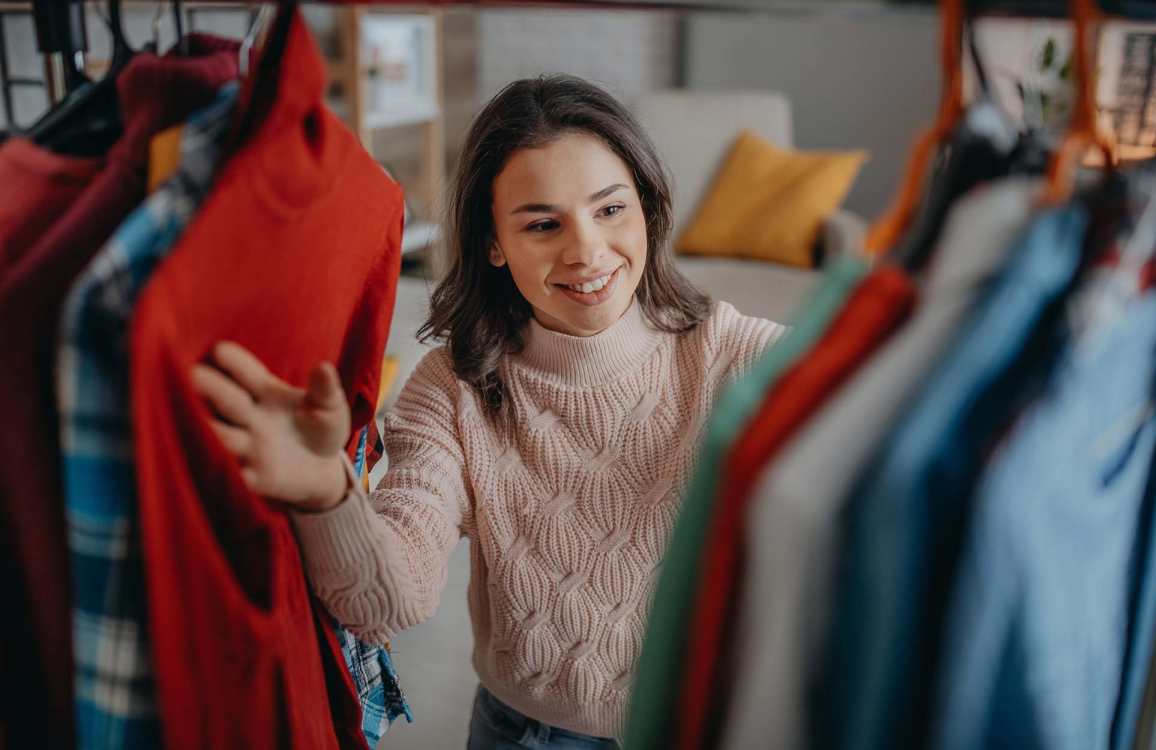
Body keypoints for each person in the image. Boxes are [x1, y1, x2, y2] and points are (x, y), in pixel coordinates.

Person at [192, 74, 784, 748]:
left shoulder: (737, 354)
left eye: (610, 209)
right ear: (493, 243)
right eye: (542, 223)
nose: (585, 249)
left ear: (647, 209)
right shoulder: (453, 388)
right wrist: (326, 494)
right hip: (528, 734)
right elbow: (389, 601)